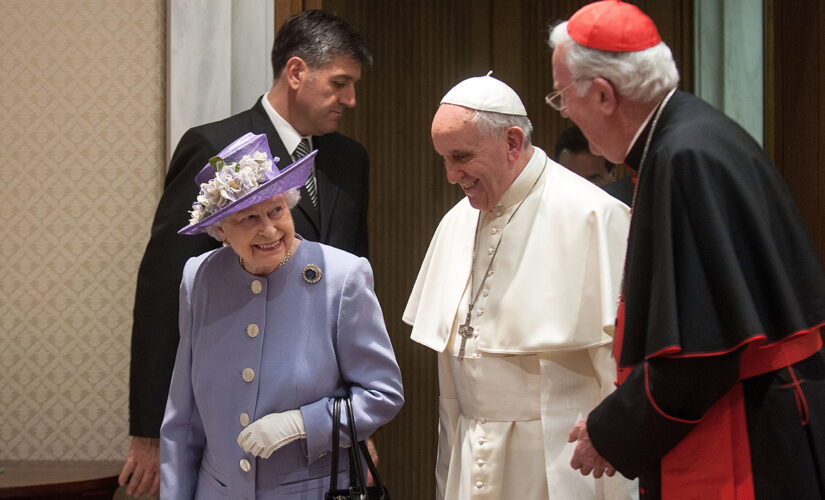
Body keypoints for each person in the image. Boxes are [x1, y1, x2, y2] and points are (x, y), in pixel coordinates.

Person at [548, 1, 825, 498]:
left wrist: (609, 432)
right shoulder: (694, 136)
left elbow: (700, 357)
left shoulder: (684, 158)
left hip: (745, 429)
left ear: (605, 95)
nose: (565, 111)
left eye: (563, 95)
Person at [121, 10, 373, 496]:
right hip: (233, 408)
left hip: (317, 426)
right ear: (297, 72)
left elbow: (355, 295)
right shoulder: (213, 146)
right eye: (340, 83)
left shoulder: (350, 159)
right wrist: (150, 433)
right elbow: (162, 290)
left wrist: (353, 427)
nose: (351, 99)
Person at [403, 74, 636, 499]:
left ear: (512, 142)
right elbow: (451, 387)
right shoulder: (456, 223)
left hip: (557, 463)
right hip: (469, 454)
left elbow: (616, 371)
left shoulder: (593, 216)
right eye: (443, 159)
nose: (452, 175)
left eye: (461, 156)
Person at [160, 132, 403, 498]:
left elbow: (383, 395)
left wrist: (302, 423)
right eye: (248, 218)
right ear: (221, 230)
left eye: (277, 210)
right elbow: (183, 416)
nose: (269, 229)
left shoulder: (342, 277)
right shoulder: (200, 278)